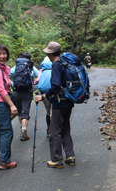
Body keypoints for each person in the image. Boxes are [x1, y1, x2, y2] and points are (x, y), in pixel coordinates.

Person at [34, 41, 75, 169]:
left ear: (51, 53)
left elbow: (56, 86)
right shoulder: (65, 63)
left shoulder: (56, 65)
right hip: (68, 101)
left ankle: (57, 159)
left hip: (59, 101)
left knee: (54, 131)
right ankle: (70, 156)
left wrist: (43, 96)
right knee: (65, 129)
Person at [10, 52, 39, 141]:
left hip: (16, 91)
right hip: (27, 92)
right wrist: (35, 87)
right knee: (25, 111)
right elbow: (39, 77)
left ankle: (22, 128)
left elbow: (7, 76)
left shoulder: (15, 67)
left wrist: (12, 84)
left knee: (19, 112)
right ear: (29, 59)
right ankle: (24, 131)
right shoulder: (31, 67)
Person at [35, 56, 52, 138]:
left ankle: (49, 129)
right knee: (55, 111)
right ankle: (56, 130)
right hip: (54, 92)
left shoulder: (42, 70)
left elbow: (38, 80)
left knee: (48, 111)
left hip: (44, 92)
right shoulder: (57, 68)